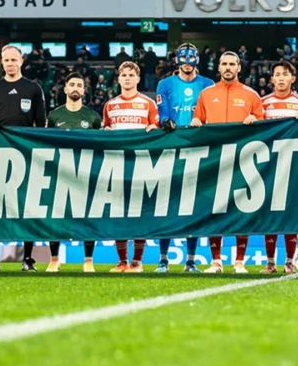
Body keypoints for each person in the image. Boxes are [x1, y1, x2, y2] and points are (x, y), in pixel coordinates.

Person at [191, 51, 265, 273]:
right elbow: (197, 120)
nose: (228, 67)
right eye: (224, 64)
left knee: (242, 210)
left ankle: (239, 261)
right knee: (216, 210)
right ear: (219, 67)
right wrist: (196, 122)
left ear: (239, 67)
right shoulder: (206, 94)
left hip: (242, 161)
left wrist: (255, 119)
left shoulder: (251, 95)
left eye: (232, 64)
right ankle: (216, 262)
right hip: (214, 161)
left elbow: (265, 127)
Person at [0, 45, 48, 271]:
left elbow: (41, 123)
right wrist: (1, 130)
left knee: (27, 207)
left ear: (21, 61)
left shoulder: (33, 88)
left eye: (13, 60)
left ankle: (28, 259)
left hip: (25, 155)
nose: (10, 63)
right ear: (2, 62)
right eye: (6, 60)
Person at [153, 43, 214, 272]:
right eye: (183, 58)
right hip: (172, 149)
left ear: (197, 60)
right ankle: (163, 260)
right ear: (177, 60)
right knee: (167, 206)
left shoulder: (207, 84)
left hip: (198, 150)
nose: (187, 63)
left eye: (190, 58)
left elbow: (210, 114)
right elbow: (163, 113)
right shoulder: (165, 84)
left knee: (193, 206)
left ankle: (190, 260)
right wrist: (166, 121)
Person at [101, 63, 159, 272]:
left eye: (131, 75)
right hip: (118, 166)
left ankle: (137, 261)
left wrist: (154, 129)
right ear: (118, 79)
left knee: (139, 214)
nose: (127, 78)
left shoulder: (148, 104)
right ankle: (122, 261)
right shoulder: (110, 105)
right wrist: (105, 132)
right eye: (123, 75)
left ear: (138, 78)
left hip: (141, 166)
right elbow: (105, 130)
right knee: (119, 214)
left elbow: (157, 130)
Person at [260, 60, 298, 274]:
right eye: (277, 74)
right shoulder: (261, 103)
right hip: (269, 169)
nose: (281, 78)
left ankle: (289, 261)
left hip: (294, 169)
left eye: (285, 74)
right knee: (270, 215)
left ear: (292, 78)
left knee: (291, 214)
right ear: (272, 79)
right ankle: (270, 262)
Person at [48, 72, 103, 272]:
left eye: (79, 85)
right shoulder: (54, 116)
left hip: (85, 173)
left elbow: (100, 145)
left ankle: (88, 260)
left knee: (87, 216)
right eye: (72, 84)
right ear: (65, 89)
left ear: (84, 90)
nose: (75, 88)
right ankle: (54, 259)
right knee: (55, 216)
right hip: (60, 173)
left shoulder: (93, 117)